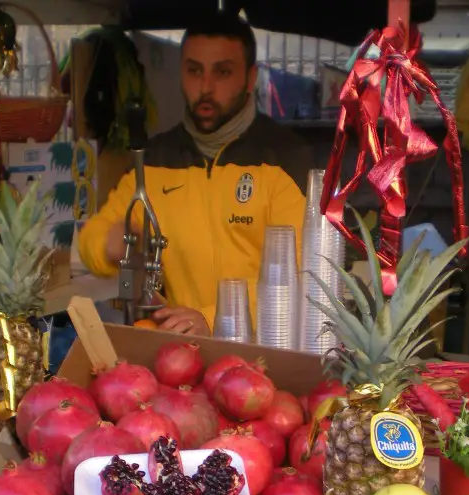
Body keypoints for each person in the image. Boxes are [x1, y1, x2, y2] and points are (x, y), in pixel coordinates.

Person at [78, 14, 314, 335]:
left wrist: (213, 318)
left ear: (250, 78)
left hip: (267, 359)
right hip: (180, 355)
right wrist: (108, 244)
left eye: (223, 72)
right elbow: (91, 239)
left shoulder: (287, 160)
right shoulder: (153, 161)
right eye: (194, 71)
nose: (205, 87)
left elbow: (301, 278)